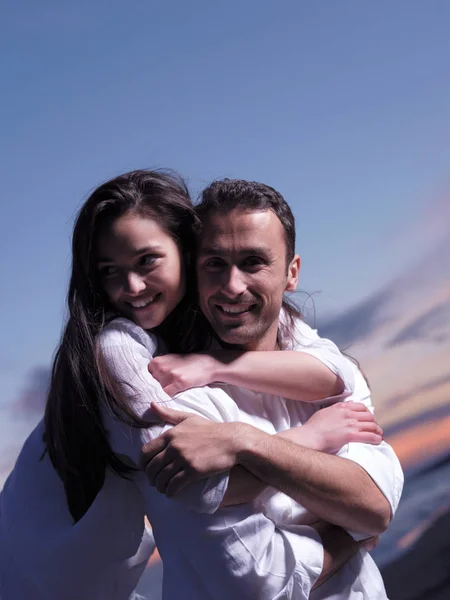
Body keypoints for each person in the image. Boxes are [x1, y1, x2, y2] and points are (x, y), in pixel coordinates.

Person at [0, 170, 377, 600]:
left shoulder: (221, 321)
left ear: (187, 252)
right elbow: (201, 488)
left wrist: (214, 364)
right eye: (110, 271)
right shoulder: (118, 348)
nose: (131, 287)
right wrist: (312, 441)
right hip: (31, 581)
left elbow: (339, 373)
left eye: (147, 261)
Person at [94, 175, 403, 598]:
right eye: (214, 264)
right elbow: (256, 577)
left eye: (253, 262)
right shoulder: (173, 391)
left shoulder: (312, 358)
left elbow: (374, 503)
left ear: (292, 273)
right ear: (193, 270)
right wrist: (348, 535)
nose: (233, 286)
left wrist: (244, 442)